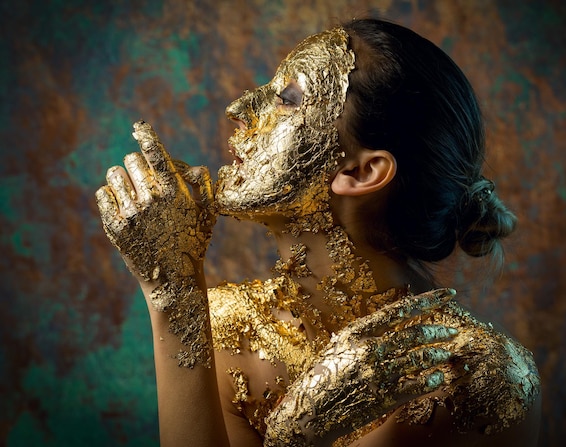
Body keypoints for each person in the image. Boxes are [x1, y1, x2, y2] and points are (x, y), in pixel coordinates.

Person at [96, 18, 541, 447]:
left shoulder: (472, 376)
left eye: (287, 99)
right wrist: (172, 297)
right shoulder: (227, 330)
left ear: (362, 171)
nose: (239, 108)